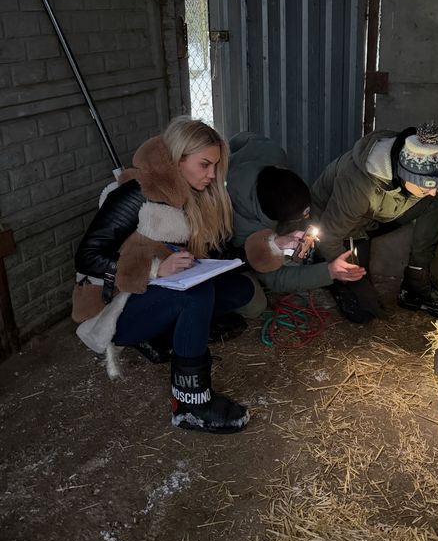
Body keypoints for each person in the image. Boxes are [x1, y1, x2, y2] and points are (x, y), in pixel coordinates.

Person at [72, 117, 255, 434]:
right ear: (178, 159)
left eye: (216, 166)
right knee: (196, 296)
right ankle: (190, 404)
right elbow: (87, 258)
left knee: (239, 289)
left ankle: (161, 337)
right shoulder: (134, 194)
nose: (213, 175)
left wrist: (274, 246)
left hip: (151, 295)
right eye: (204, 165)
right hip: (112, 308)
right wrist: (155, 269)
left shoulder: (192, 196)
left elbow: (220, 255)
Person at [311, 122, 438, 323]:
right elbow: (330, 236)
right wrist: (349, 275)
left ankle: (415, 281)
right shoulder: (358, 184)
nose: (433, 192)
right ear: (404, 176)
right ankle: (320, 261)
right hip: (342, 227)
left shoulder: (426, 165)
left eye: (436, 185)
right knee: (363, 312)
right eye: (425, 188)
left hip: (378, 215)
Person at [225, 132, 365, 309]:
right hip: (227, 251)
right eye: (300, 217)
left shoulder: (270, 152)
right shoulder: (245, 227)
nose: (305, 219)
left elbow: (244, 137)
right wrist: (329, 272)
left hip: (257, 193)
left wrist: (226, 153)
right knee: (255, 307)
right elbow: (276, 279)